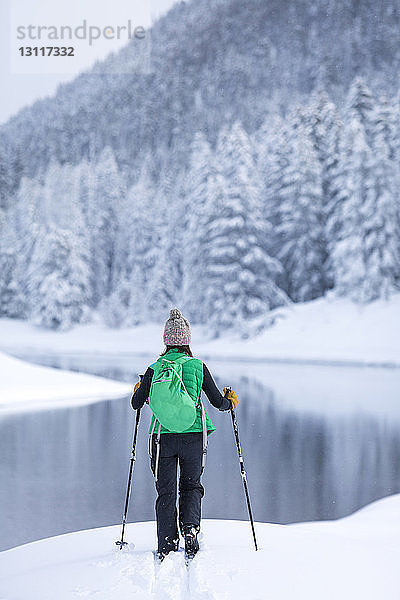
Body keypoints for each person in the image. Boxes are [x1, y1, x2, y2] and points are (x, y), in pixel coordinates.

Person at [131, 308, 239, 560]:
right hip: (194, 436)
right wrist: (230, 402)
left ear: (166, 341)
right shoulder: (197, 366)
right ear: (187, 341)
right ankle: (190, 529)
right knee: (191, 485)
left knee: (165, 491)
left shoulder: (154, 368)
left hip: (162, 438)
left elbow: (136, 403)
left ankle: (166, 543)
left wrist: (140, 389)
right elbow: (217, 402)